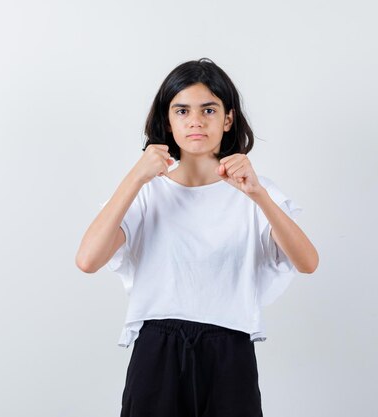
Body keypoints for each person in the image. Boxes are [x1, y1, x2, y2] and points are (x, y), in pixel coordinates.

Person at [75, 58, 319, 417]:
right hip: (157, 349)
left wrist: (259, 196)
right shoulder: (147, 193)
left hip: (230, 349)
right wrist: (135, 177)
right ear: (167, 120)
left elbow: (307, 262)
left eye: (208, 109)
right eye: (182, 110)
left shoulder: (254, 194)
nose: (195, 121)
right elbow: (88, 260)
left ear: (228, 118)